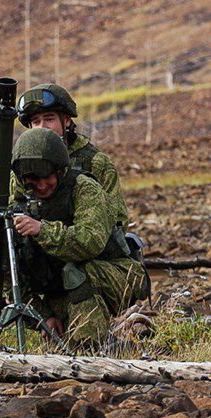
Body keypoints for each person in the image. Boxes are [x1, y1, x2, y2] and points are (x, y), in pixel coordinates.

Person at [9, 128, 147, 348]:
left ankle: (94, 345)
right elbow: (12, 275)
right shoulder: (19, 202)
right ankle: (113, 343)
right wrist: (44, 316)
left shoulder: (84, 188)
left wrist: (42, 230)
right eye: (34, 180)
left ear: (61, 170)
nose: (42, 186)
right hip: (63, 288)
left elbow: (89, 242)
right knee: (63, 342)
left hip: (117, 275)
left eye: (48, 177)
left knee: (76, 275)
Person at [12, 83, 122, 207]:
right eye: (36, 122)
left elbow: (117, 219)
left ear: (67, 120)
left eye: (49, 119)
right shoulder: (24, 163)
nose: (42, 127)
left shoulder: (96, 163)